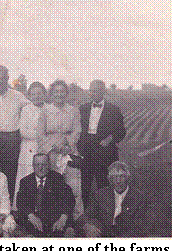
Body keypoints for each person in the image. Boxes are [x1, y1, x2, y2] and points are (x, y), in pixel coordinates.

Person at [39, 79, 83, 220]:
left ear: (66, 93)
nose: (59, 94)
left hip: (68, 151)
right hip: (51, 152)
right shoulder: (45, 110)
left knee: (72, 184)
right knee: (52, 184)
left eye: (62, 91)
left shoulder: (73, 110)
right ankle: (52, 216)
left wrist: (68, 146)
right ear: (52, 93)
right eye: (56, 91)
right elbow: (40, 133)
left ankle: (75, 218)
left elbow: (77, 131)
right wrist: (52, 147)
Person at [77, 80, 126, 207]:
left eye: (97, 91)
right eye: (91, 91)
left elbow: (121, 131)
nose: (93, 93)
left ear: (103, 91)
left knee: (104, 183)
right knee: (84, 184)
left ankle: (105, 212)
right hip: (86, 150)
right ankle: (86, 213)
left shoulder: (113, 110)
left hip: (104, 151)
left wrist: (110, 139)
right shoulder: (83, 109)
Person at [0, 65, 30, 202]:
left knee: (10, 172)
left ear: (8, 79)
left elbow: (32, 108)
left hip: (11, 140)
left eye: (3, 78)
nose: (0, 81)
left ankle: (8, 205)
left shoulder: (17, 96)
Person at [77, 161, 154, 237]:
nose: (118, 181)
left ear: (128, 178)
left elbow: (143, 226)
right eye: (114, 177)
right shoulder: (100, 194)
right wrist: (87, 226)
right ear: (109, 179)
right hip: (104, 234)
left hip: (128, 236)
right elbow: (85, 216)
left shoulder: (139, 197)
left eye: (121, 176)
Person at [16, 152, 75, 237]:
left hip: (53, 221)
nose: (40, 168)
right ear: (33, 166)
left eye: (44, 164)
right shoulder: (25, 181)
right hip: (33, 220)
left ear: (49, 165)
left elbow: (69, 199)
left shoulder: (57, 178)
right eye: (37, 165)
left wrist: (63, 217)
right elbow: (20, 202)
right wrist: (31, 215)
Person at [13, 82, 46, 209]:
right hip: (28, 148)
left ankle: (41, 208)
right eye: (33, 94)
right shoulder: (26, 110)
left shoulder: (48, 108)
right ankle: (22, 209)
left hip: (44, 148)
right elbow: (23, 131)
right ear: (29, 96)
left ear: (44, 94)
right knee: (27, 177)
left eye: (39, 93)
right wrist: (42, 134)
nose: (36, 96)